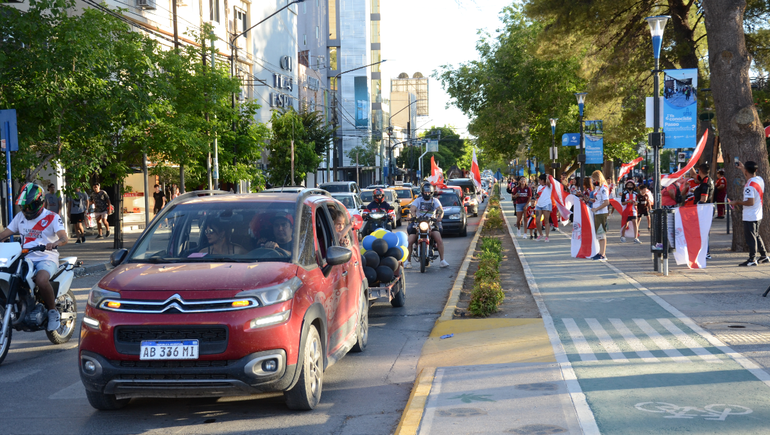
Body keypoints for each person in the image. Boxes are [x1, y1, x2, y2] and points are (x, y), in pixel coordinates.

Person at [0, 183, 68, 331]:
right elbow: (4, 234)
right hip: (24, 258)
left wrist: (55, 243)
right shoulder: (20, 217)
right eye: (24, 207)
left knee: (41, 280)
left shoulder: (52, 218)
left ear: (39, 203)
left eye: (30, 206)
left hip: (46, 257)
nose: (26, 210)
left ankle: (52, 311)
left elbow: (64, 238)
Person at [730, 161, 768, 267]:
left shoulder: (749, 186)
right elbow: (750, 179)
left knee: (751, 238)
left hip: (750, 215)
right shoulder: (759, 179)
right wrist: (743, 168)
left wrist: (737, 202)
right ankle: (764, 255)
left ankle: (752, 259)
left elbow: (750, 202)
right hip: (758, 213)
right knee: (756, 235)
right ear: (756, 170)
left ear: (746, 171)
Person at [406, 183, 448, 268]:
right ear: (422, 192)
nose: (427, 194)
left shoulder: (435, 200)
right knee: (409, 241)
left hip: (431, 223)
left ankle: (442, 260)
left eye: (429, 192)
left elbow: (440, 210)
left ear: (432, 192)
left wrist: (439, 217)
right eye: (425, 192)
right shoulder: (418, 200)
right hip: (418, 223)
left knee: (439, 239)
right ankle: (408, 261)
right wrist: (411, 216)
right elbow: (412, 209)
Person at [589, 170, 611, 261]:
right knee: (599, 234)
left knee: (601, 233)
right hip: (597, 213)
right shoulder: (598, 189)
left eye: (594, 180)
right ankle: (600, 252)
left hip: (601, 213)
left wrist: (596, 209)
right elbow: (597, 200)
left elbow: (606, 202)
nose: (594, 182)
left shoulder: (603, 189)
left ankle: (603, 254)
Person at [620, 180, 640, 244]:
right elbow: (622, 203)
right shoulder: (624, 194)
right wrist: (628, 201)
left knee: (635, 223)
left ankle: (636, 237)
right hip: (626, 210)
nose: (630, 186)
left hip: (633, 210)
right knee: (625, 224)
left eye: (631, 185)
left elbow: (637, 202)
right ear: (626, 186)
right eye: (628, 185)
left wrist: (635, 203)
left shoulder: (636, 194)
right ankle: (622, 236)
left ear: (633, 186)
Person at [534, 174, 552, 242]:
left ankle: (547, 236)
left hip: (546, 204)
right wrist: (536, 196)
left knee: (546, 220)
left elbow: (548, 183)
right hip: (539, 205)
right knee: (537, 221)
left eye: (540, 180)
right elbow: (538, 195)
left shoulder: (549, 186)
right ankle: (541, 234)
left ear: (543, 180)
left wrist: (547, 176)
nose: (539, 181)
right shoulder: (539, 187)